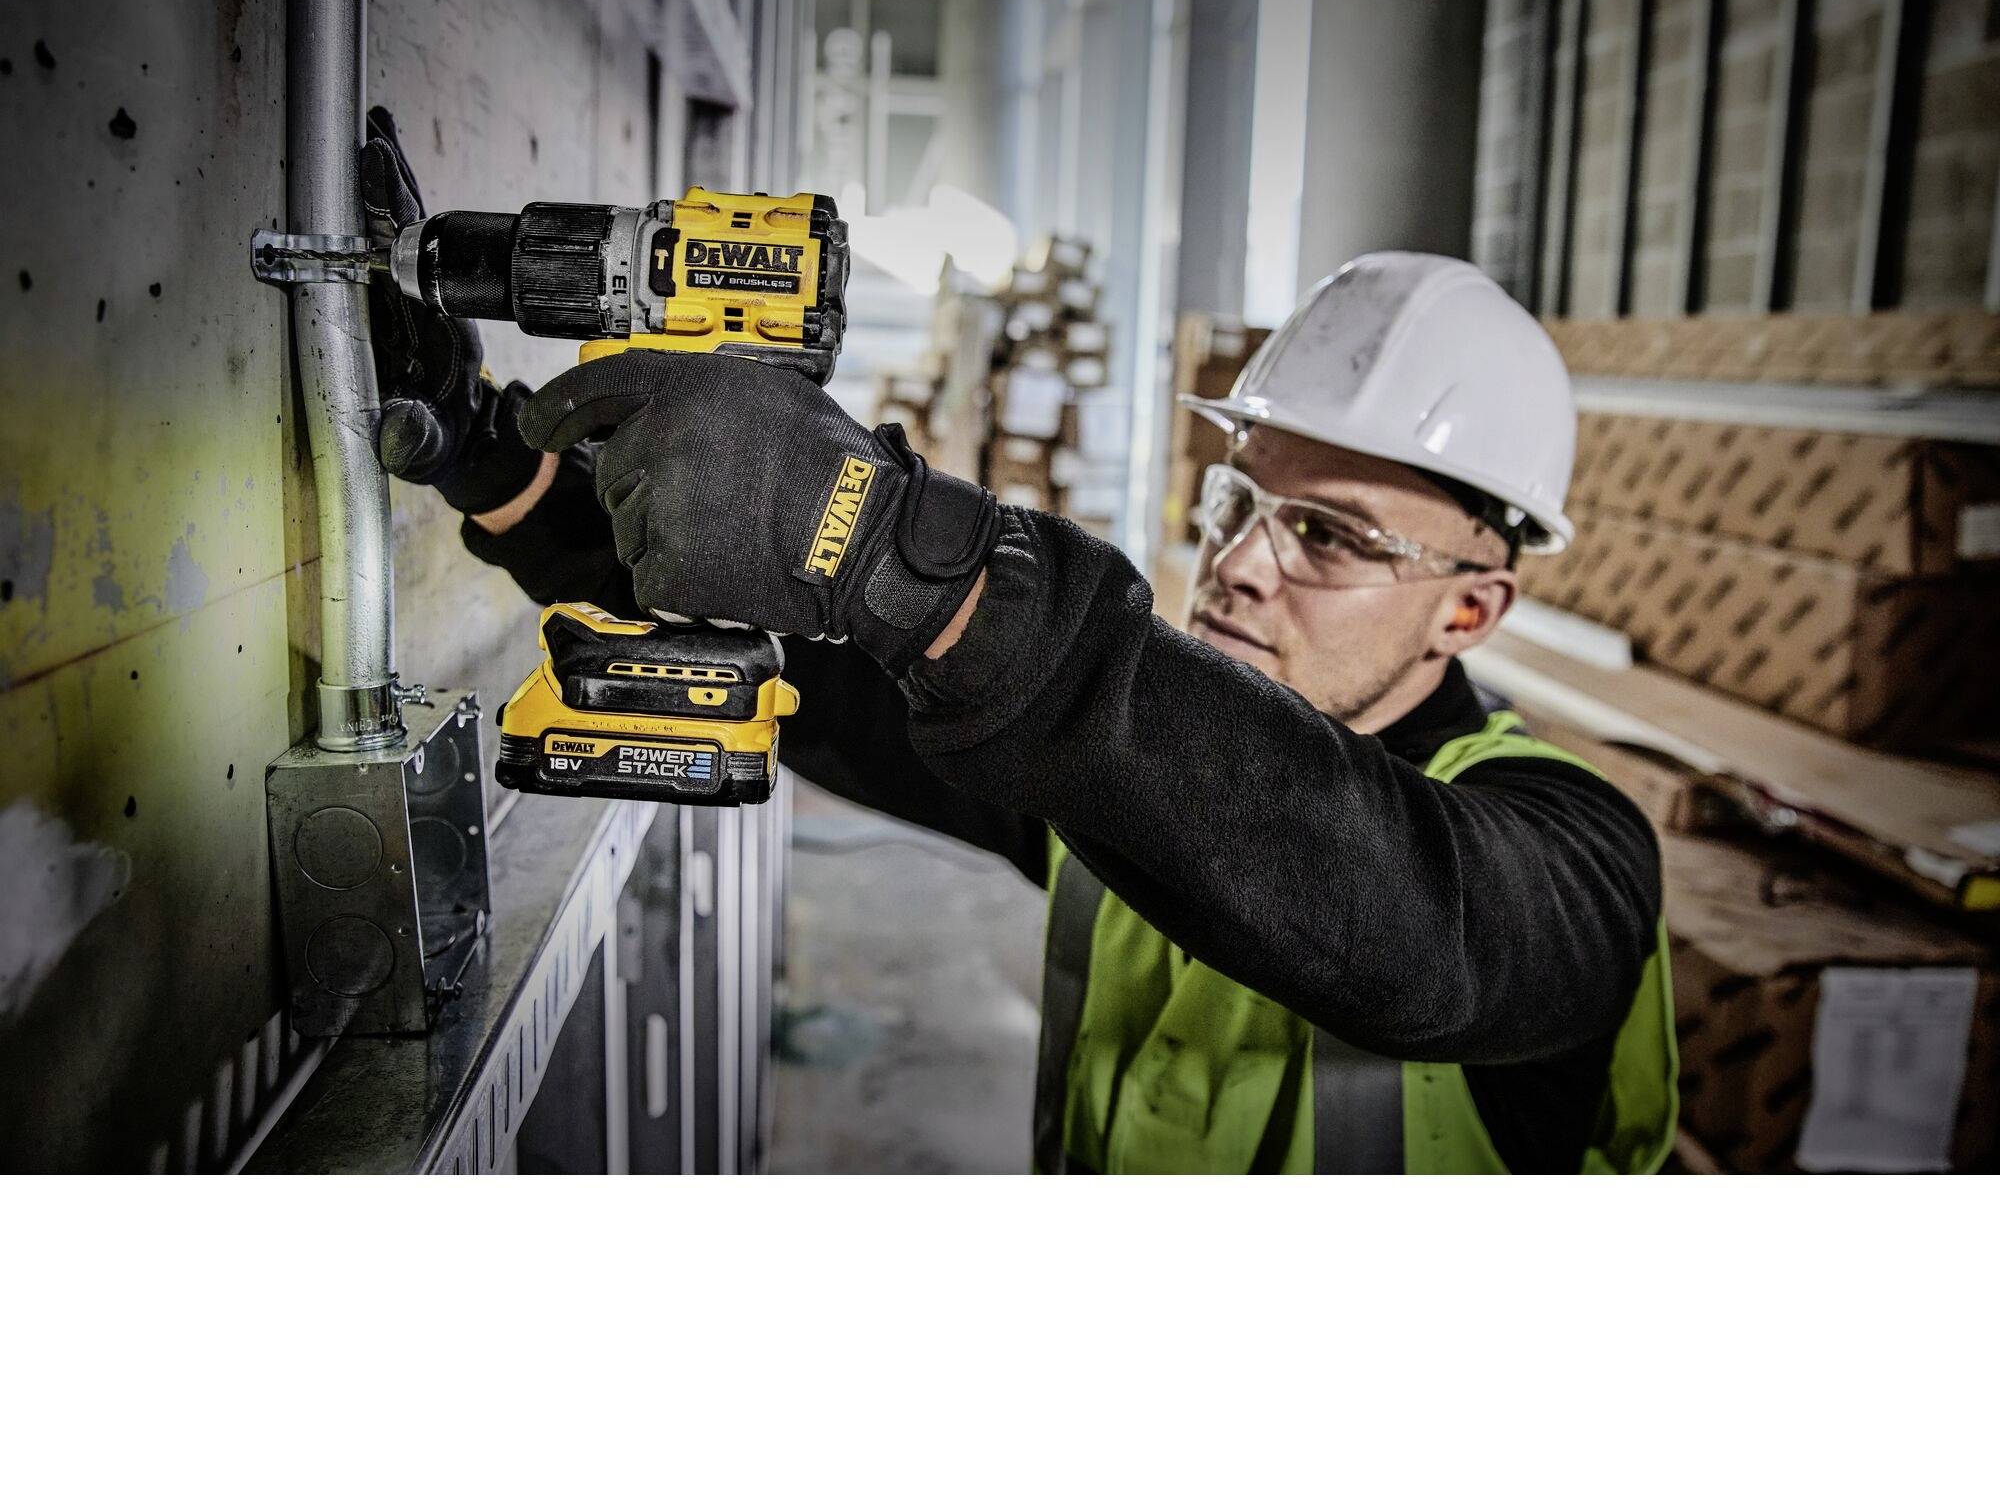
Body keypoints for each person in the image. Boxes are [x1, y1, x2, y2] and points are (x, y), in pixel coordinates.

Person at [362, 109, 1676, 1174]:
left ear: (1470, 608)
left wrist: (911, 557)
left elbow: (1409, 922)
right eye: (1238, 502)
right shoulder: (1114, 774)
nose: (1237, 562)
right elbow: (821, 674)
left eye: (1329, 537)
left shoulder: (1576, 859)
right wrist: (499, 465)